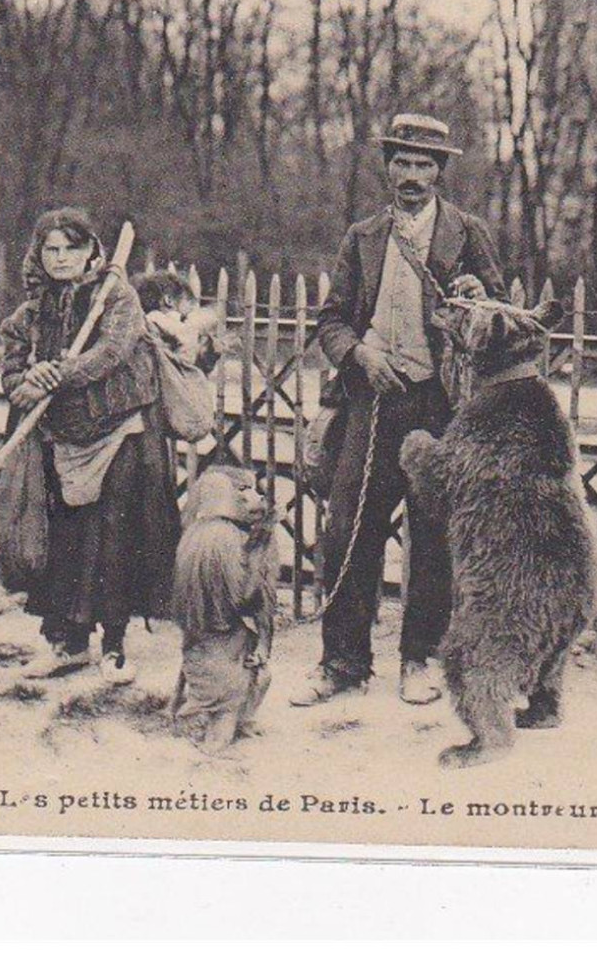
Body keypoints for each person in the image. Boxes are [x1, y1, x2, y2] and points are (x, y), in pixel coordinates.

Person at [289, 113, 507, 708]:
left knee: (431, 534)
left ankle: (420, 659)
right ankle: (342, 663)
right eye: (402, 162)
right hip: (371, 401)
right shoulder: (362, 236)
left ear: (440, 171)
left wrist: (477, 304)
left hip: (438, 405)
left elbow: (501, 317)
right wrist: (358, 354)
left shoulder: (467, 234)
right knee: (344, 532)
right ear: (387, 167)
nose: (411, 175)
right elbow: (330, 320)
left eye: (424, 163)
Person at [0, 208, 181, 684]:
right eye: (50, 250)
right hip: (60, 439)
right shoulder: (30, 314)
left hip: (119, 431)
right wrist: (28, 379)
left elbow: (112, 353)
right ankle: (67, 644)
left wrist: (57, 374)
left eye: (70, 249)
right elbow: (12, 378)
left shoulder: (115, 296)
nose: (60, 259)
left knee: (114, 539)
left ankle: (115, 648)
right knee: (65, 541)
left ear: (90, 251)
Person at [169, 465, 276, 753]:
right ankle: (220, 725)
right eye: (244, 490)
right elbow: (243, 598)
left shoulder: (198, 533)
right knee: (239, 683)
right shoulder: (221, 539)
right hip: (220, 640)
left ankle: (229, 718)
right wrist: (261, 546)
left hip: (210, 639)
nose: (256, 498)